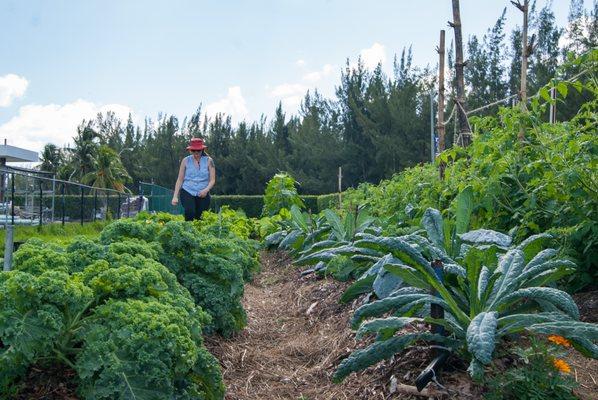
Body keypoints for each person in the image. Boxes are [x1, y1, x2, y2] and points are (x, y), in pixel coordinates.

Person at [171, 138, 216, 221]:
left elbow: (212, 180)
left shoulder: (209, 161)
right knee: (190, 212)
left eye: (198, 151)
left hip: (203, 192)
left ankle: (199, 233)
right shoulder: (185, 161)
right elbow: (180, 179)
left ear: (202, 150)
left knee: (201, 216)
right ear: (190, 150)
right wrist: (175, 196)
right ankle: (188, 231)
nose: (196, 153)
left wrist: (206, 190)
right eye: (193, 151)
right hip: (188, 190)